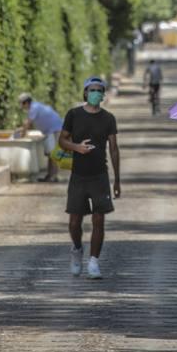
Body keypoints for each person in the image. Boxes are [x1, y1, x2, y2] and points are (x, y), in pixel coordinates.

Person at [58, 76, 121, 279]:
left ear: (103, 95)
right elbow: (62, 140)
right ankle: (77, 249)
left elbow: (114, 149)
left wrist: (117, 179)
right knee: (74, 222)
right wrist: (77, 147)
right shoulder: (74, 115)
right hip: (78, 175)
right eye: (92, 90)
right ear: (85, 92)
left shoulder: (108, 118)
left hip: (99, 176)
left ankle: (94, 261)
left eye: (99, 90)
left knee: (98, 220)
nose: (95, 93)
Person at [18, 93, 63, 182]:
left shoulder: (33, 108)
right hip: (52, 129)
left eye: (22, 104)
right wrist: (21, 130)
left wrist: (22, 134)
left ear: (26, 102)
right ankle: (50, 175)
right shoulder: (36, 106)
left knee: (52, 154)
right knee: (50, 154)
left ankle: (53, 176)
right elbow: (29, 124)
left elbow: (28, 123)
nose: (22, 107)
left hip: (54, 129)